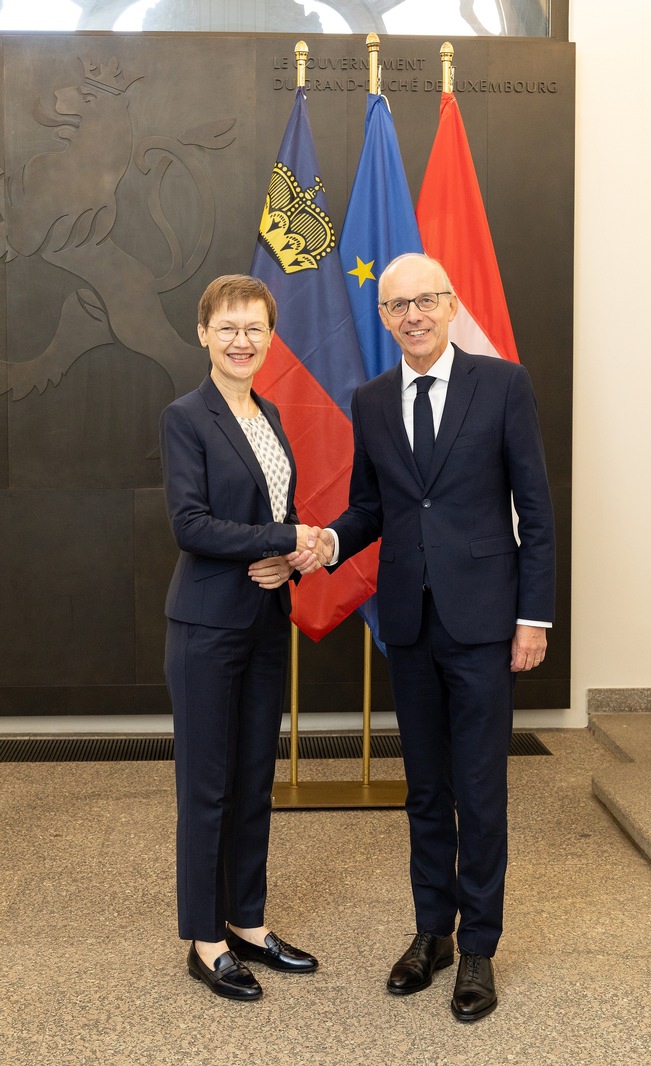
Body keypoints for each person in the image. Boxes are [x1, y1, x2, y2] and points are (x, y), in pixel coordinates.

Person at [293, 253, 555, 1022]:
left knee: (480, 790)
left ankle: (479, 949)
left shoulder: (503, 385)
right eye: (397, 304)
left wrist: (532, 618)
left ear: (449, 304)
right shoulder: (369, 399)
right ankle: (430, 935)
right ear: (383, 317)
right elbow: (369, 507)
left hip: (485, 625)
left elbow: (535, 512)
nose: (412, 315)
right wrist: (330, 544)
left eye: (425, 301)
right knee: (426, 791)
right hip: (408, 624)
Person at [160, 274, 320, 1001]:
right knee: (207, 787)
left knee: (255, 780)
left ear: (270, 335)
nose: (241, 340)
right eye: (227, 327)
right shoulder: (186, 416)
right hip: (204, 627)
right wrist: (282, 535)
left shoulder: (272, 414)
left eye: (254, 328)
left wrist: (292, 553)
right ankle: (205, 939)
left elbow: (273, 509)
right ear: (204, 333)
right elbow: (189, 524)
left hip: (263, 622)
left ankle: (248, 922)